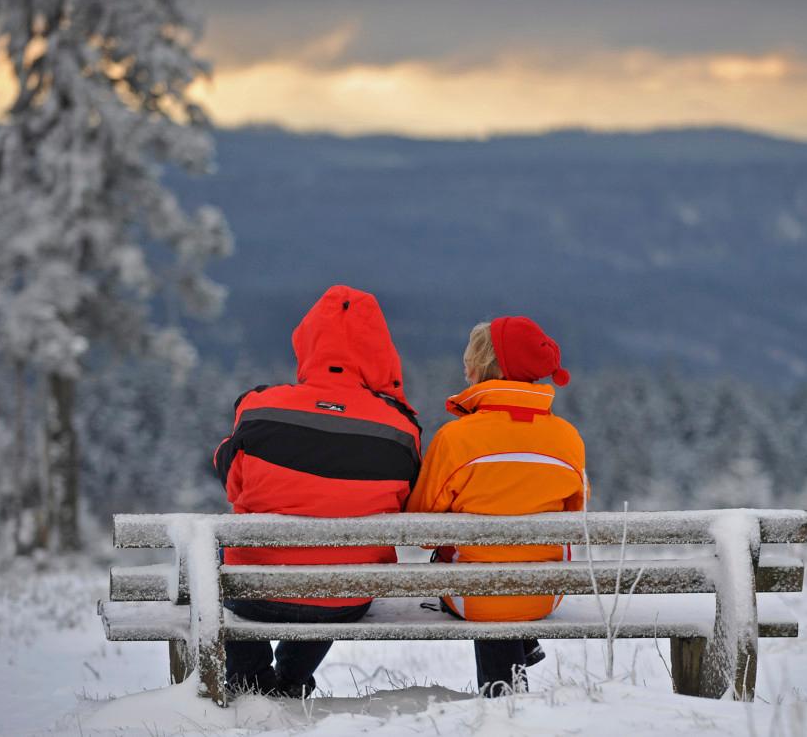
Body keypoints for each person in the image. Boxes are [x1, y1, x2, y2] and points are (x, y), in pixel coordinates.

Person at [213, 285, 421, 698]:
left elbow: (231, 481)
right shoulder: (401, 430)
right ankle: (289, 680)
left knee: (215, 559)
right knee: (338, 565)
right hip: (345, 598)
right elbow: (405, 502)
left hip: (254, 593)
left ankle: (251, 680)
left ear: (307, 340)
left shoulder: (259, 408)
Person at [405, 316, 588, 697]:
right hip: (544, 594)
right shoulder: (568, 439)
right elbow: (576, 519)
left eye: (468, 360)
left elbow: (421, 531)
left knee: (483, 578)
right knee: (507, 572)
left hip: (472, 597)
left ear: (484, 367)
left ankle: (503, 702)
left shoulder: (455, 439)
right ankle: (520, 657)